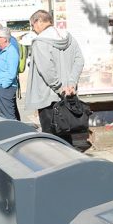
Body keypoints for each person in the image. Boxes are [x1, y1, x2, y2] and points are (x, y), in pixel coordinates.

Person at [25, 9, 84, 142]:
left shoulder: (40, 41)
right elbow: (79, 60)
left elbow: (47, 70)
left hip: (49, 98)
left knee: (52, 141)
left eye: (32, 25)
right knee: (66, 137)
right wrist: (71, 84)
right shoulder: (68, 37)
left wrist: (60, 87)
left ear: (39, 21)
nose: (33, 29)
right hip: (68, 96)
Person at [0, 26, 21, 120]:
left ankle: (17, 133)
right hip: (1, 88)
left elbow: (12, 73)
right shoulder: (2, 51)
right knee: (5, 115)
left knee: (9, 117)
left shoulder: (11, 51)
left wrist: (3, 85)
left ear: (4, 39)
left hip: (6, 89)